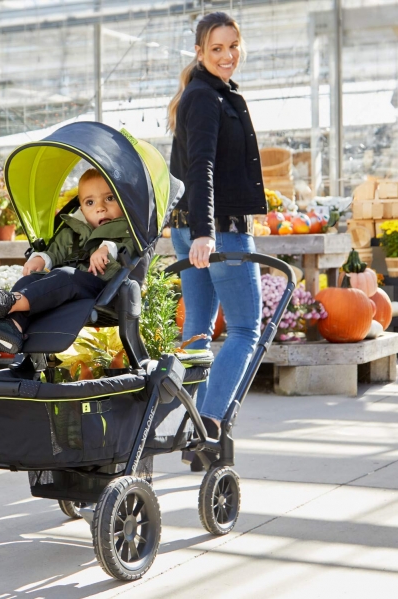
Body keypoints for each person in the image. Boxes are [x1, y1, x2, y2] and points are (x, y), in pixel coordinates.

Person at [167, 12, 267, 458]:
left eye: (233, 46)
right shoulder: (206, 97)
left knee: (198, 331)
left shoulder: (205, 93)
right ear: (199, 52)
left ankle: (194, 430)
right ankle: (208, 424)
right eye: (217, 49)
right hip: (217, 231)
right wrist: (206, 233)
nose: (227, 56)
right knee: (245, 328)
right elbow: (200, 167)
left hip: (193, 229)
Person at [0, 168, 136, 354]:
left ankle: (9, 302)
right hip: (66, 285)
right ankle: (13, 327)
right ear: (81, 209)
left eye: (110, 198)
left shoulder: (128, 229)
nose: (100, 208)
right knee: (31, 280)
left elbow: (129, 247)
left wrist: (106, 249)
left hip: (101, 288)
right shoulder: (72, 231)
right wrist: (41, 258)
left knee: (65, 275)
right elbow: (55, 251)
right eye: (90, 202)